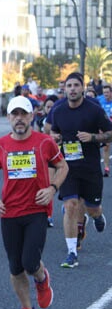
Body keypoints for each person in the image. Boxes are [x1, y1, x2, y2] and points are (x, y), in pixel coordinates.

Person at [0, 96, 67, 309]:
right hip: (9, 213)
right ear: (9, 118)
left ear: (32, 116)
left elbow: (62, 166)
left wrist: (52, 188)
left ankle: (42, 278)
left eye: (24, 114)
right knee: (15, 266)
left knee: (30, 262)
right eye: (15, 115)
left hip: (36, 210)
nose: (19, 119)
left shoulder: (44, 142)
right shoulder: (0, 145)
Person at [47, 72, 112, 269]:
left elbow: (110, 134)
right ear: (64, 89)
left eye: (76, 85)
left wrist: (92, 138)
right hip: (68, 167)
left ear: (82, 88)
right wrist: (55, 138)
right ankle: (72, 252)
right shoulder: (58, 111)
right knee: (71, 206)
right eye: (69, 86)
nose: (72, 89)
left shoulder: (94, 110)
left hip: (90, 167)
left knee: (92, 208)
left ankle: (97, 216)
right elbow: (53, 131)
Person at [97, 84, 112, 176]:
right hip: (105, 127)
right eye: (104, 92)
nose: (105, 94)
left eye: (107, 92)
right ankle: (106, 168)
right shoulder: (99, 100)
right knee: (106, 147)